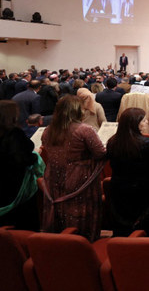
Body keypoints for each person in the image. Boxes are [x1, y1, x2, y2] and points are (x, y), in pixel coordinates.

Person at [41, 95, 106, 241]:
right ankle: (80, 245)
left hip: (54, 176)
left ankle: (59, 243)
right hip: (79, 177)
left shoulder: (48, 130)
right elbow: (100, 153)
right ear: (77, 111)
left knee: (60, 210)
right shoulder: (85, 130)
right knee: (79, 211)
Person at [107, 108, 149, 237]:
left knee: (124, 234)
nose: (147, 122)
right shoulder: (146, 143)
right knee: (147, 234)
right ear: (135, 123)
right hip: (144, 192)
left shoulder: (112, 142)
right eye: (144, 120)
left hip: (119, 192)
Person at [0, 100, 44, 230]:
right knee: (21, 228)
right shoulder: (14, 134)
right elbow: (21, 159)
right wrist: (35, 156)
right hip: (16, 187)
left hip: (3, 185)